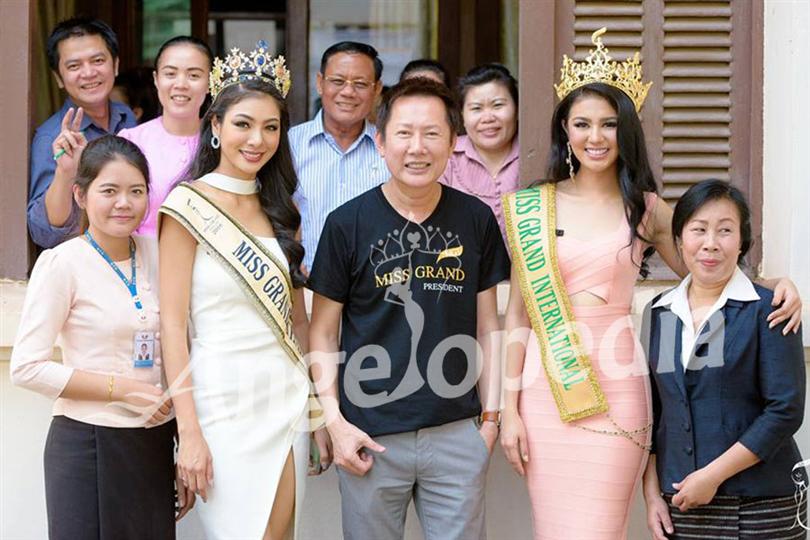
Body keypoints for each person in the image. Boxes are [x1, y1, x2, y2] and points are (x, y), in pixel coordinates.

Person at [498, 29, 803, 540]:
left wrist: (774, 282)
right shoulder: (534, 205)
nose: (595, 136)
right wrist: (507, 409)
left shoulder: (645, 209)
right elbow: (518, 315)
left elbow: (708, 269)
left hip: (616, 386)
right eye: (582, 124)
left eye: (609, 124)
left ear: (627, 131)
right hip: (544, 388)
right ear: (565, 133)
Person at [308, 78, 511, 540]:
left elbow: (488, 326)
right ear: (380, 142)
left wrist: (491, 420)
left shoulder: (475, 219)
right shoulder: (346, 224)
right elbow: (322, 331)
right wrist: (335, 422)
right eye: (403, 133)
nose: (417, 148)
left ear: (453, 143)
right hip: (369, 434)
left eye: (432, 133)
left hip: (457, 431)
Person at [158, 42, 328, 540]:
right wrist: (186, 432)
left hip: (283, 397)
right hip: (218, 405)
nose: (258, 139)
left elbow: (298, 323)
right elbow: (172, 325)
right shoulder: (187, 207)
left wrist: (317, 410)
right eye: (243, 124)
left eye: (271, 127)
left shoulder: (281, 210)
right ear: (214, 127)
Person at [11, 135, 193, 539]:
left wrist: (181, 448)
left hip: (152, 445)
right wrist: (120, 389)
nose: (123, 203)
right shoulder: (62, 263)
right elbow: (26, 368)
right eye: (109, 191)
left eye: (136, 191)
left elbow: (179, 348)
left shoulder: (159, 254)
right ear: (80, 194)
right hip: (87, 444)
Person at [642, 179, 806, 540]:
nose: (710, 243)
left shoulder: (770, 307)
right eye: (698, 229)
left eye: (725, 230)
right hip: (683, 502)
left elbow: (785, 409)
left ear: (742, 240)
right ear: (680, 238)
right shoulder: (661, 312)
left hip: (763, 506)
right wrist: (652, 494)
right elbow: (655, 414)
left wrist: (712, 476)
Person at [28, 17, 137, 248]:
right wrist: (65, 172)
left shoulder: (126, 117)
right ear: (59, 77)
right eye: (74, 66)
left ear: (115, 65)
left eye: (97, 60)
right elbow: (43, 233)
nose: (88, 73)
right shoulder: (51, 137)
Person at [288, 41, 389, 271]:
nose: (348, 92)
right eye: (338, 81)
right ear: (320, 83)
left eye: (361, 84)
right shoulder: (289, 145)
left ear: (377, 89)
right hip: (305, 286)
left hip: (375, 291)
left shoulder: (391, 150)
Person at [118, 36, 212, 236]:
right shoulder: (131, 141)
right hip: (145, 260)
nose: (181, 84)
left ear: (210, 82)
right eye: (170, 74)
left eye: (194, 75)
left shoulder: (225, 141)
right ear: (156, 79)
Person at [440, 64, 519, 243]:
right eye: (476, 108)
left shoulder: (534, 152)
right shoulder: (447, 157)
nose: (488, 118)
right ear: (462, 115)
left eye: (498, 105)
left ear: (517, 109)